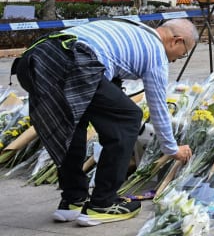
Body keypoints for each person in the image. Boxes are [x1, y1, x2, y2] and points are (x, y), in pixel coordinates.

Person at [14, 18, 196, 226]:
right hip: (73, 61)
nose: (175, 60)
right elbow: (158, 108)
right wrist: (172, 149)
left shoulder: (130, 27)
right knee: (128, 118)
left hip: (34, 59)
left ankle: (73, 199)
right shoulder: (156, 52)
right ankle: (103, 203)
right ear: (176, 41)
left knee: (74, 122)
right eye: (182, 55)